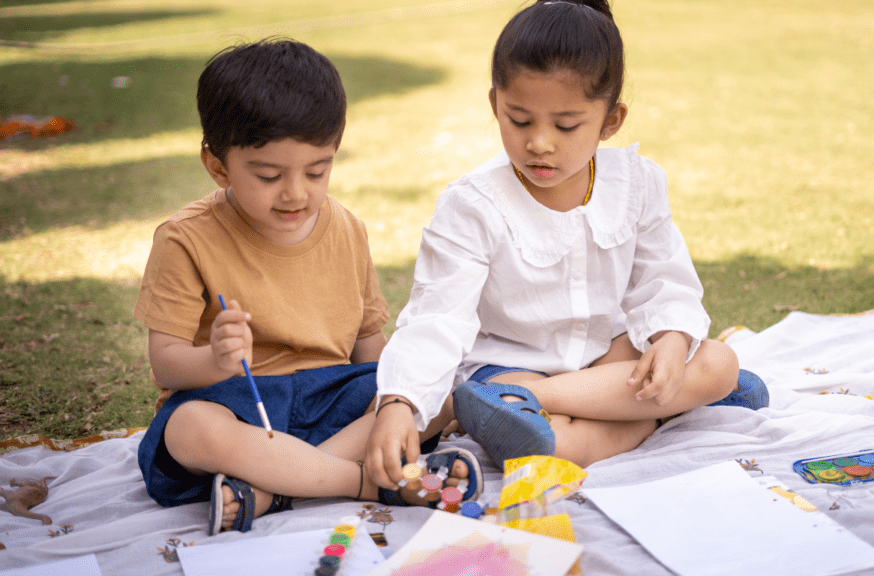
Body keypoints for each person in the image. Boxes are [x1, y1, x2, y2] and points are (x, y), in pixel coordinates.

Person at [366, 0, 769, 483]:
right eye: (519, 120)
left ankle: (550, 405)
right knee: (558, 430)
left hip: (608, 360)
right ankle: (632, 412)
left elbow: (664, 278)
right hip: (510, 368)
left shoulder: (636, 183)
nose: (539, 142)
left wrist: (671, 338)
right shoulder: (472, 205)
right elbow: (436, 317)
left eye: (565, 125)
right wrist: (398, 402)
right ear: (495, 104)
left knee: (719, 364)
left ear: (611, 120)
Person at [134, 38, 482, 535]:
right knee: (191, 430)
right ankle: (367, 481)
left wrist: (396, 402)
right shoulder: (185, 239)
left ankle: (270, 489)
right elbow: (165, 361)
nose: (297, 193)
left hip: (332, 399)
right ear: (217, 165)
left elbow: (368, 347)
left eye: (317, 171)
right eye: (269, 175)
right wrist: (215, 359)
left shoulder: (347, 228)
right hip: (237, 406)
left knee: (434, 391)